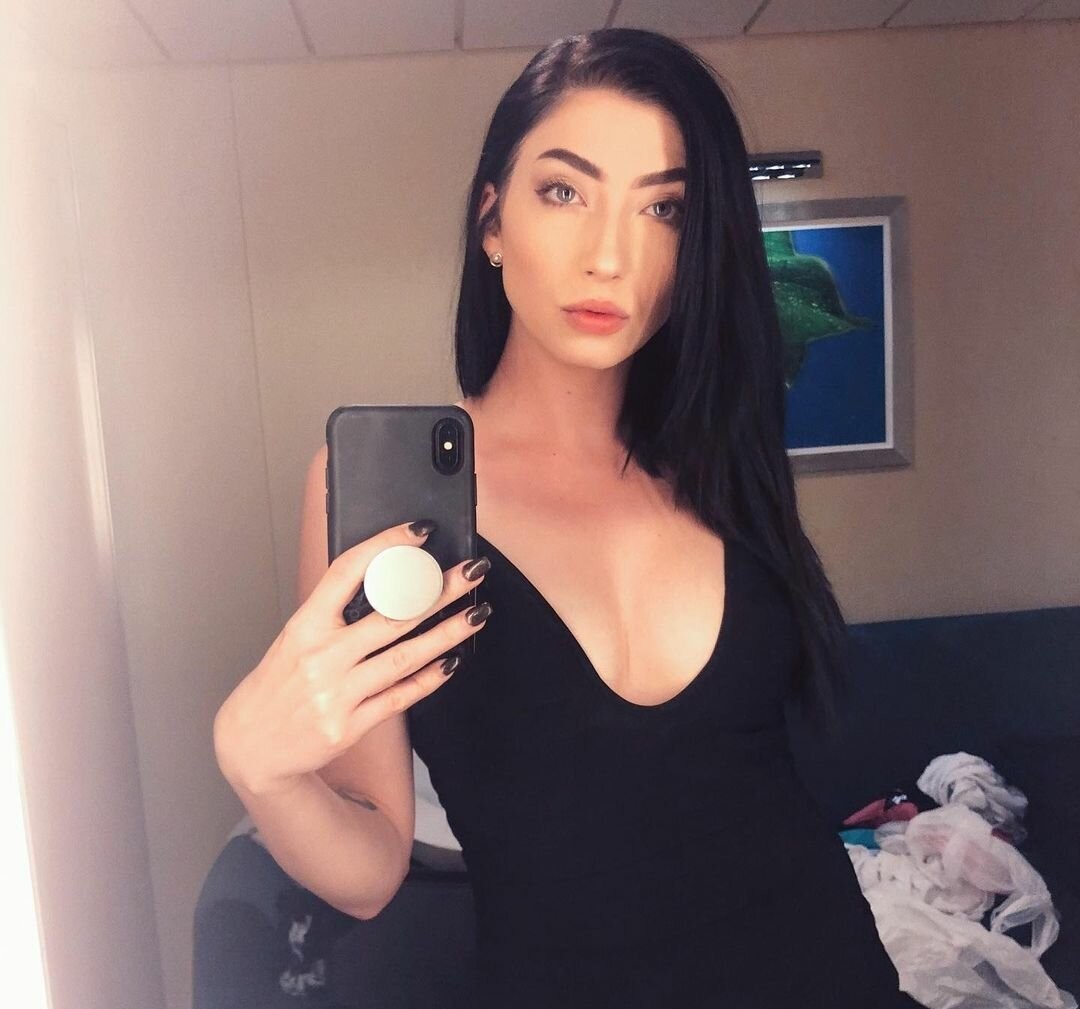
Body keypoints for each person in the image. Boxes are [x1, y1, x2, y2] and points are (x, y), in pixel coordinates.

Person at [214, 27, 923, 1008]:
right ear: (492, 222)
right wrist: (259, 767)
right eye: (564, 191)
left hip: (829, 974)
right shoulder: (388, 500)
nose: (610, 254)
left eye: (663, 207)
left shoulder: (719, 455)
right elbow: (371, 868)